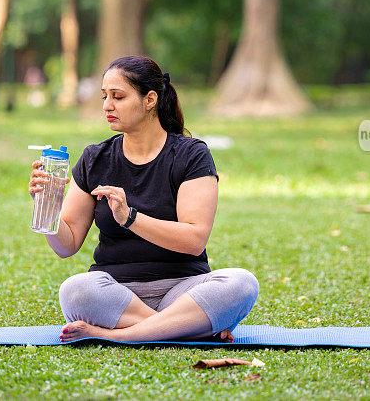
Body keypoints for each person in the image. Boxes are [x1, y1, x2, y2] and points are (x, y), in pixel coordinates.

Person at [28, 55, 259, 343]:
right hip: (117, 293)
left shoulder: (191, 155)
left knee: (241, 283)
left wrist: (130, 218)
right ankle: (186, 328)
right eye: (104, 96)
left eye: (118, 96)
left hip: (183, 290)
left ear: (150, 99)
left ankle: (120, 335)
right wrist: (45, 204)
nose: (106, 105)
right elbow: (67, 245)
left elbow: (194, 239)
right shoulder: (94, 158)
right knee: (75, 289)